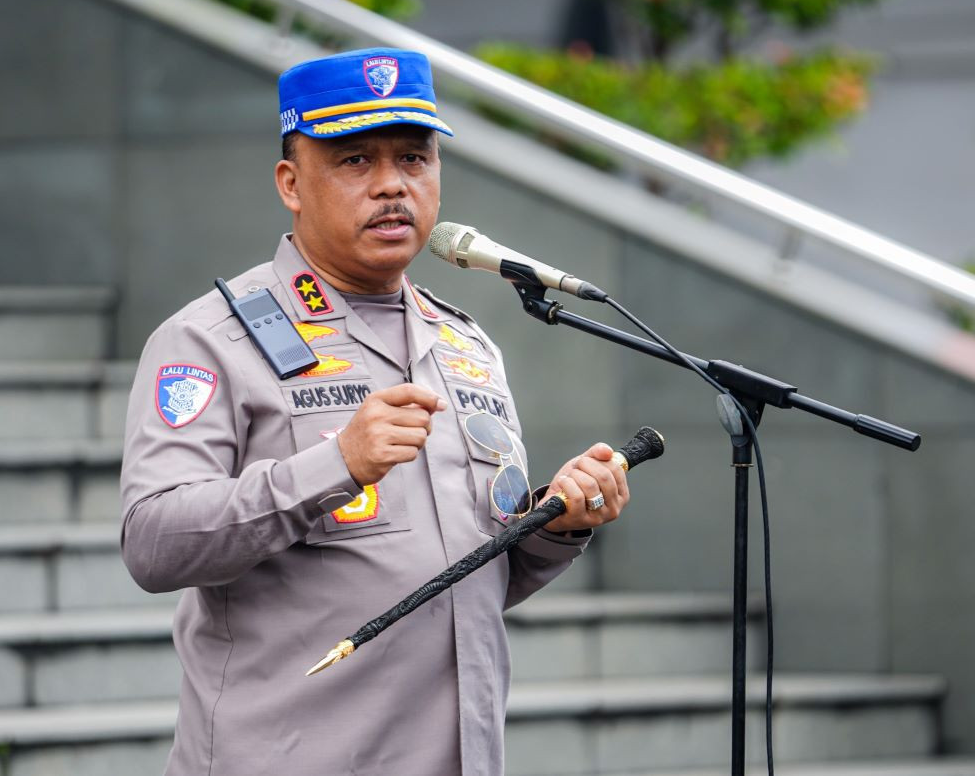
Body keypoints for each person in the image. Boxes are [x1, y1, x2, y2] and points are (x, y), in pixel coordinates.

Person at [120, 47, 630, 776]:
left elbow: (467, 583)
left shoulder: (466, 347)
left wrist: (557, 523)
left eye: (414, 159)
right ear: (291, 184)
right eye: (355, 160)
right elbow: (152, 543)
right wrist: (337, 466)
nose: (392, 184)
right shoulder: (211, 339)